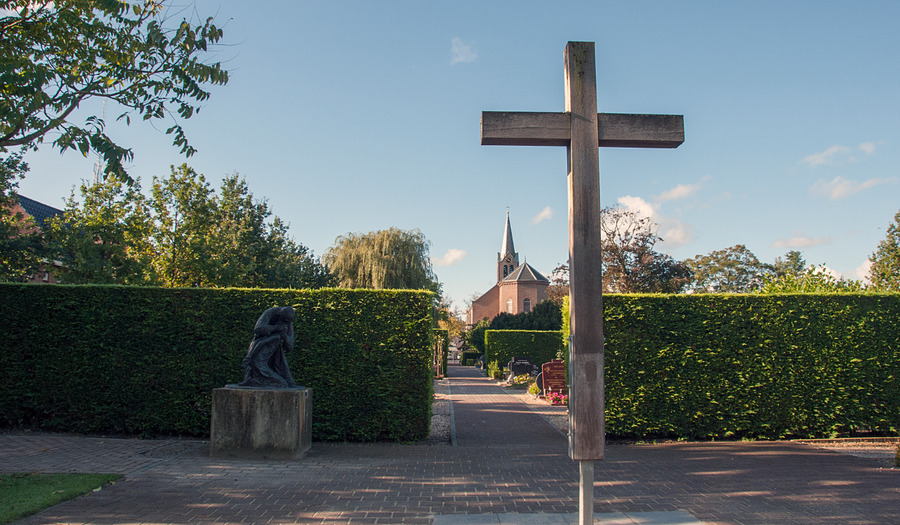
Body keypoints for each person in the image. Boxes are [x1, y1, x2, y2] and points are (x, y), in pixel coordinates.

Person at [239, 306, 298, 388]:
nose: (285, 323)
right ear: (279, 314)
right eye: (284, 320)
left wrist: (284, 336)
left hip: (270, 352)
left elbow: (290, 346)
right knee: (282, 382)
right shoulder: (270, 313)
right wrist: (275, 328)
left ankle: (254, 379)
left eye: (287, 321)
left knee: (283, 378)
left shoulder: (287, 321)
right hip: (260, 348)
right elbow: (258, 329)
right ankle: (253, 379)